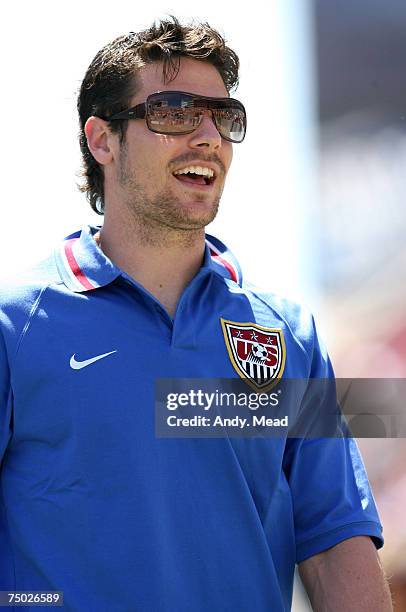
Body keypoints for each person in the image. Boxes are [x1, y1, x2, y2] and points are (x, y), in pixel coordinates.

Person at [0, 16, 392, 612]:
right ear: (103, 140)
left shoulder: (286, 333)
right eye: (175, 111)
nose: (209, 135)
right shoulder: (15, 326)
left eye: (223, 117)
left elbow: (334, 535)